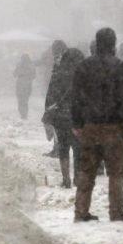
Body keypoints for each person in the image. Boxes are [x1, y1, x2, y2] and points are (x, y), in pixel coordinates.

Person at [71, 28, 123, 223]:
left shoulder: (83, 67)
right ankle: (116, 212)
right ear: (113, 43)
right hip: (113, 127)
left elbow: (76, 98)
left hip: (90, 126)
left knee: (86, 170)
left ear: (96, 43)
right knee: (116, 172)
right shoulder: (120, 66)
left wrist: (77, 123)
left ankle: (81, 211)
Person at [45, 48, 84, 189]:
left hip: (61, 116)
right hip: (78, 117)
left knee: (63, 147)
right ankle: (78, 178)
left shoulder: (57, 75)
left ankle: (66, 178)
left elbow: (50, 97)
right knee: (78, 148)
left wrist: (48, 114)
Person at [13, 54, 36, 120]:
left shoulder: (19, 65)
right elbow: (34, 76)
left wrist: (20, 74)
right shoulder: (31, 66)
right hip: (28, 85)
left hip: (20, 84)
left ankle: (22, 113)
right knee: (25, 100)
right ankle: (24, 114)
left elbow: (14, 74)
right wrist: (28, 78)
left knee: (20, 100)